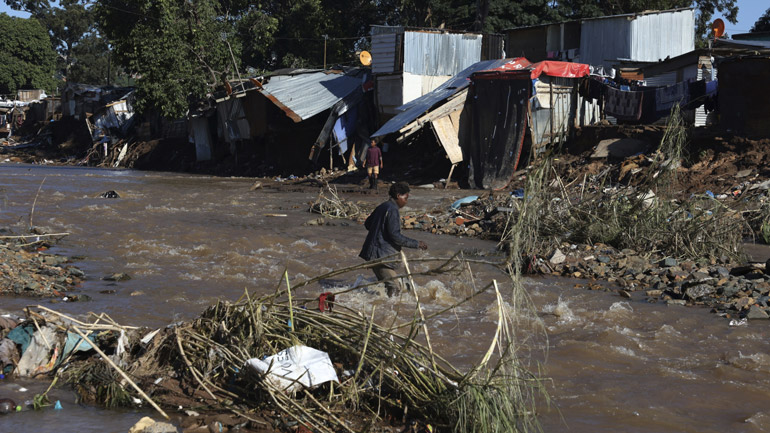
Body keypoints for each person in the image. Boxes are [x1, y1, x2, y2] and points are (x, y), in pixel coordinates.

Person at [359, 182, 428, 296]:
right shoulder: (392, 210)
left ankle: (380, 306)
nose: (406, 202)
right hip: (381, 257)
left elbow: (368, 224)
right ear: (398, 196)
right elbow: (395, 236)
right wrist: (417, 244)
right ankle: (392, 311)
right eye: (405, 198)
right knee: (395, 287)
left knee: (386, 285)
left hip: (373, 254)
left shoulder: (382, 206)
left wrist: (379, 231)